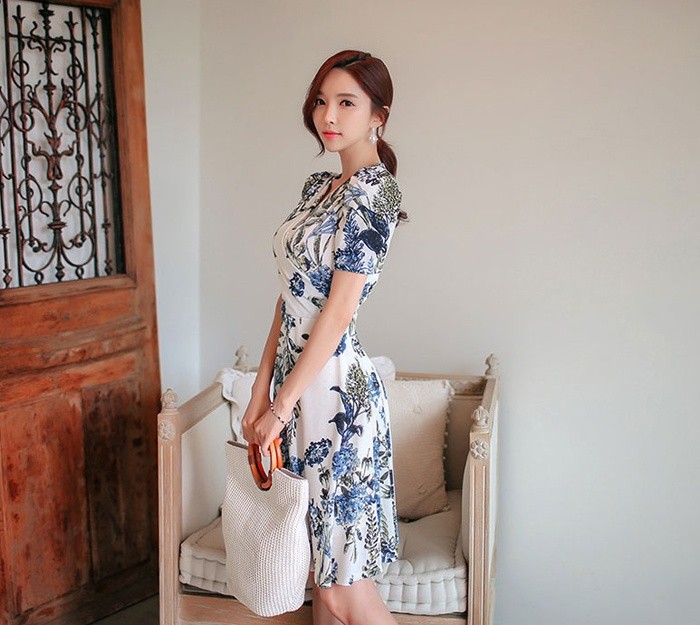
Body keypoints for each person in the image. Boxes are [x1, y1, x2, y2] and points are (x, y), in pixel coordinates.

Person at [241, 49, 406, 625]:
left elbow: (336, 314)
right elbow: (288, 297)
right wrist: (260, 391)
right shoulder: (319, 188)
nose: (328, 115)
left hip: (335, 399)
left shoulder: (377, 194)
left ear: (379, 115)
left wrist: (280, 406)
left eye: (346, 103)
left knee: (342, 591)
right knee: (320, 583)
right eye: (321, 101)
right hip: (293, 390)